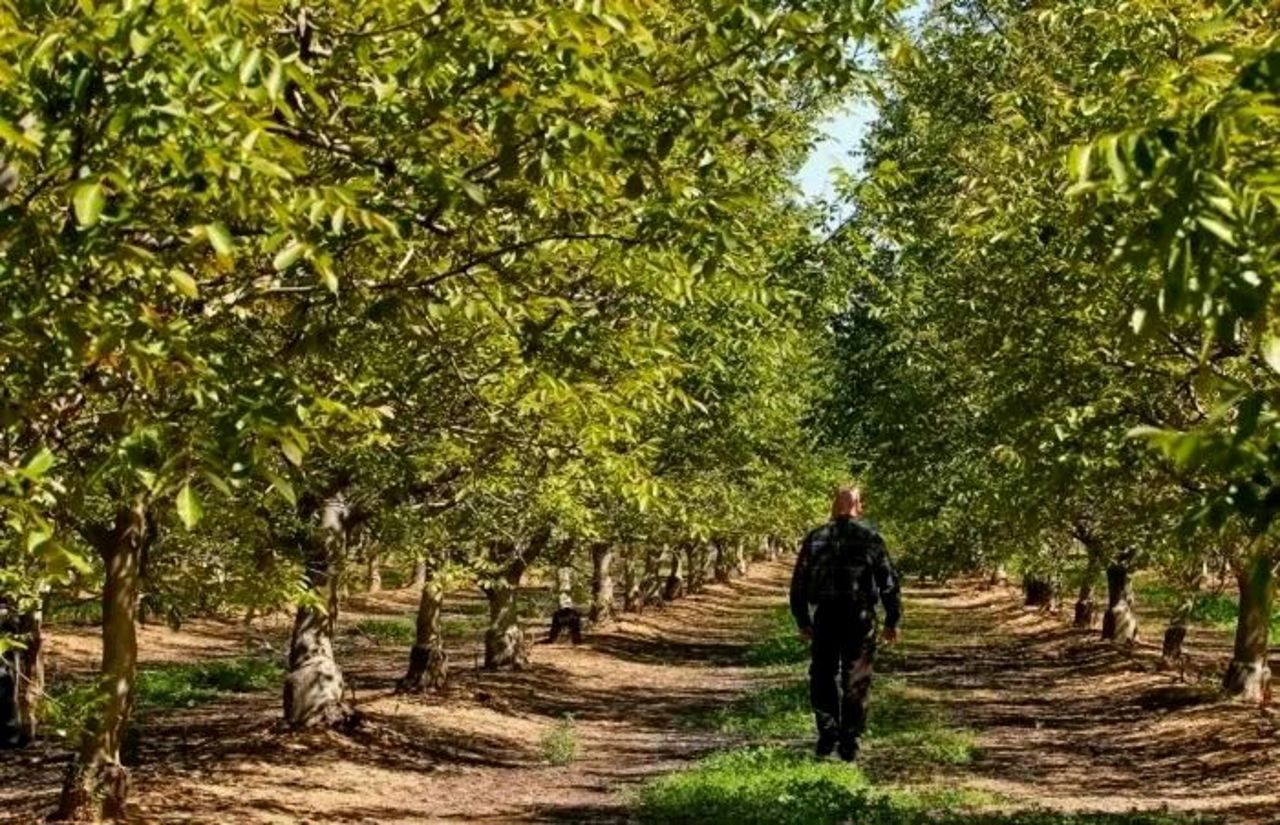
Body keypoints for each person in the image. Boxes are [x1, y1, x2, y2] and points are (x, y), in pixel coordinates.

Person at [789, 486, 901, 761]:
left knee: (822, 674)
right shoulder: (870, 538)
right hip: (859, 616)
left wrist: (803, 619)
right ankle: (849, 741)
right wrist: (892, 619)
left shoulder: (816, 538)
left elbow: (799, 582)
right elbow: (888, 582)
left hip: (826, 615)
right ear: (858, 506)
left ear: (833, 506)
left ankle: (828, 735)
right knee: (856, 677)